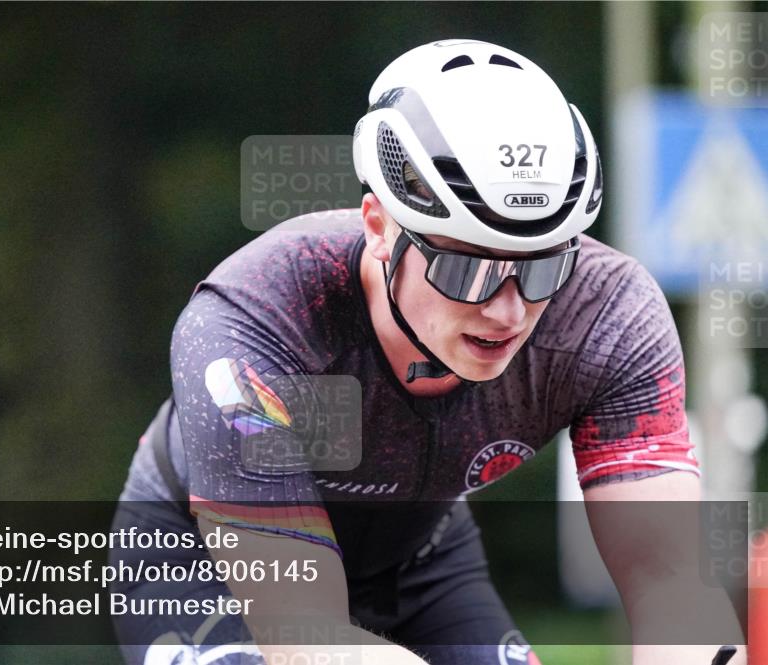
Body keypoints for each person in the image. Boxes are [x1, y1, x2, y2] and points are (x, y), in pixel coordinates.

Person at [110, 40, 744, 665]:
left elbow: (670, 578)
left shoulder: (608, 316)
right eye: (467, 271)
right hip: (202, 566)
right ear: (380, 226)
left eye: (543, 269)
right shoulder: (258, 319)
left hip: (419, 561)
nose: (508, 311)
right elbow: (302, 631)